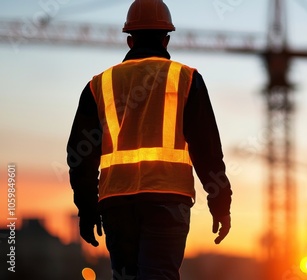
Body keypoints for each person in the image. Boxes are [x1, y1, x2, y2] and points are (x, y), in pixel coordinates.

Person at [66, 0, 232, 279]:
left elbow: (80, 156)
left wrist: (86, 209)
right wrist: (220, 203)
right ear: (166, 39)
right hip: (168, 201)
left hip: (116, 203)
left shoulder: (99, 84)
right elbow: (208, 152)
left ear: (130, 41)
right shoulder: (186, 79)